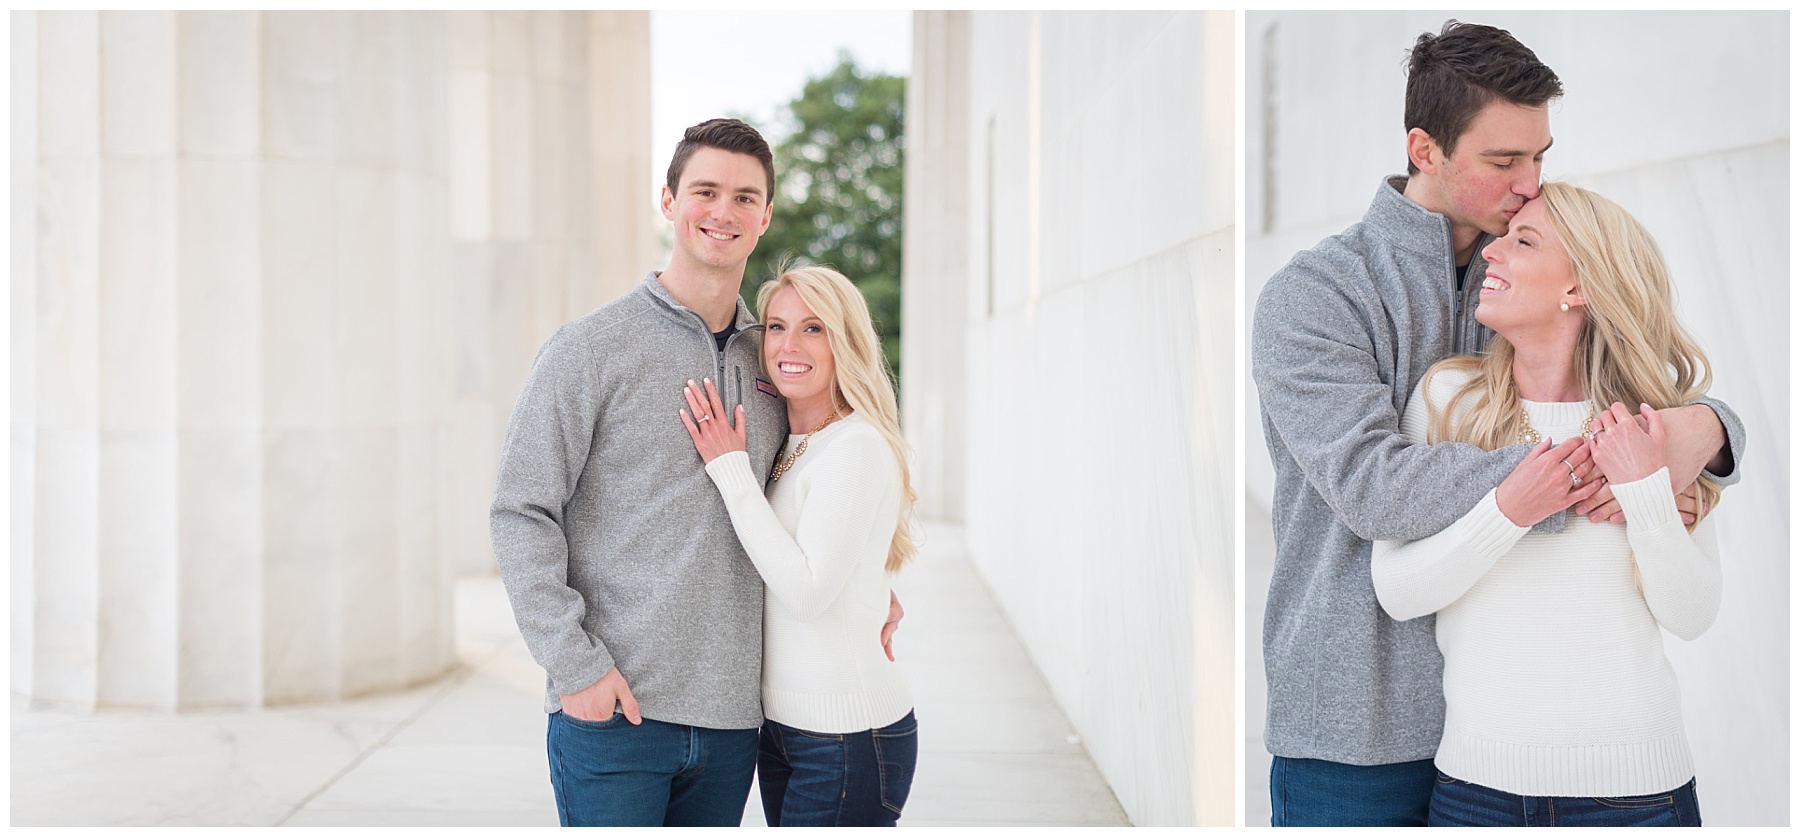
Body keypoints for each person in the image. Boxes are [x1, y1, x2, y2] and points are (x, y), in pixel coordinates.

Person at [1249, 21, 1744, 826]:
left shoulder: (1529, 274)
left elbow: (1642, 370)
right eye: (1504, 161)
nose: (1529, 183)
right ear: (1425, 149)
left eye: (1541, 156)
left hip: (1493, 738)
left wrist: (1707, 435)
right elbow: (1374, 486)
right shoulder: (1314, 298)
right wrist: (1589, 475)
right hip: (1355, 732)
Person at [489, 118, 901, 827]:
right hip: (614, 712)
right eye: (705, 190)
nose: (724, 211)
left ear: (766, 215)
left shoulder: (773, 356)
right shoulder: (588, 349)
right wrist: (575, 664)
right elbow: (520, 511)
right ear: (669, 200)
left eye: (745, 197)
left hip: (735, 723)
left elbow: (822, 486)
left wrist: (869, 588)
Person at [1371, 182, 1718, 827]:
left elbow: (1692, 614)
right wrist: (1508, 511)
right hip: (1477, 791)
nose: (1492, 253)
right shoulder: (1449, 400)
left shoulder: (1657, 427)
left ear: (1578, 289)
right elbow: (1395, 589)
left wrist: (1645, 493)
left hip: (1638, 793)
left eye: (1522, 241)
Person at [679, 264, 919, 827]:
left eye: (814, 329)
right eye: (778, 327)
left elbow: (809, 592)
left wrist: (730, 470)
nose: (789, 345)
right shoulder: (798, 445)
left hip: (847, 734)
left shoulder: (855, 445)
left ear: (847, 342)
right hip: (787, 731)